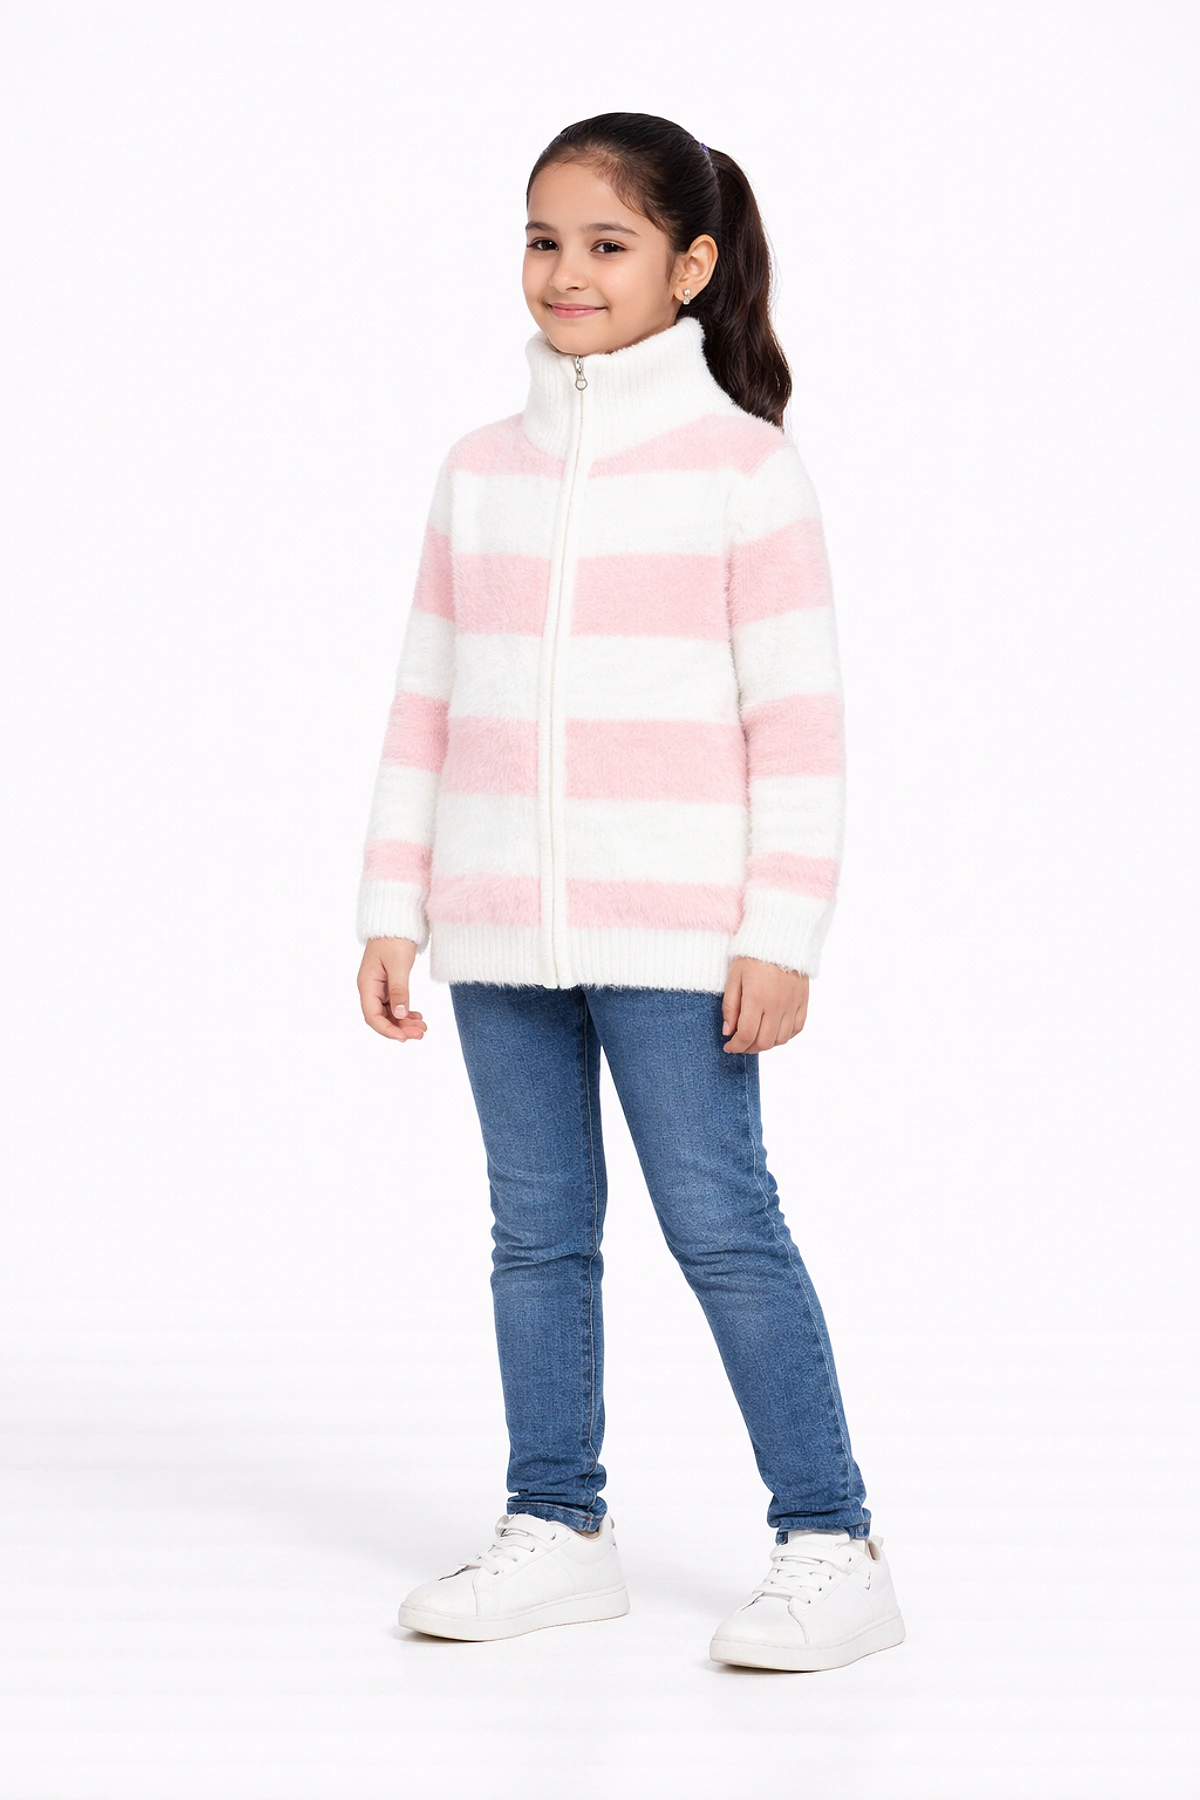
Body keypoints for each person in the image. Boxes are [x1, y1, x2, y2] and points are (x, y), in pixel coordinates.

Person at [354, 112, 905, 1673]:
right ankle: (559, 1527)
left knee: (723, 1225)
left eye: (608, 243)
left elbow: (798, 725)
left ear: (692, 264)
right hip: (496, 928)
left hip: (680, 932)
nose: (567, 272)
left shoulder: (745, 471)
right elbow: (424, 700)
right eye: (544, 240)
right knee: (537, 1234)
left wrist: (780, 932)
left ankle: (832, 1542)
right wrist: (393, 900)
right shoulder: (479, 472)